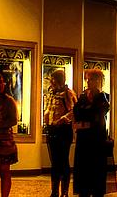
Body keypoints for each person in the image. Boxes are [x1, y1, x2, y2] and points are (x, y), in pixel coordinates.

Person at [72, 69, 115, 197]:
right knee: (83, 166)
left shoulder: (103, 97)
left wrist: (86, 113)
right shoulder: (82, 96)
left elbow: (97, 114)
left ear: (98, 81)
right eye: (87, 79)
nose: (88, 82)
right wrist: (86, 114)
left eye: (91, 79)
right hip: (83, 137)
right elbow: (77, 113)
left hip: (97, 138)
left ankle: (97, 191)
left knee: (97, 166)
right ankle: (84, 191)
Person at [44, 69, 77, 197]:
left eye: (52, 79)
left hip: (63, 130)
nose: (51, 81)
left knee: (63, 161)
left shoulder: (68, 93)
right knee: (54, 162)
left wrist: (62, 119)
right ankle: (54, 191)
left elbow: (74, 111)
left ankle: (64, 192)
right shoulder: (51, 93)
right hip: (52, 130)